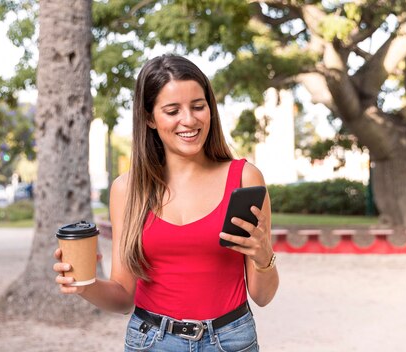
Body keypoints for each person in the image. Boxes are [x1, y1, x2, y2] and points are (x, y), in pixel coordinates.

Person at [53, 54, 279, 351]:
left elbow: (262, 297)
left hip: (231, 340)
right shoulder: (127, 189)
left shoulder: (245, 178)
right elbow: (123, 297)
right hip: (151, 341)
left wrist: (264, 256)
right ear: (149, 118)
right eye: (172, 111)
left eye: (198, 106)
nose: (189, 120)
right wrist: (85, 284)